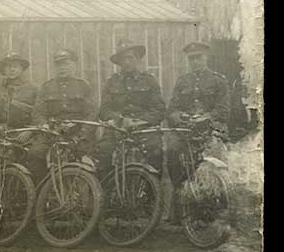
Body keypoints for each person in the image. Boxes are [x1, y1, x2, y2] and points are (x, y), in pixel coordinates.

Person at [165, 41, 231, 221]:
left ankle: (214, 208)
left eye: (198, 58)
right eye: (191, 59)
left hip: (211, 130)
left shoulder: (219, 81)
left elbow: (224, 110)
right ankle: (181, 200)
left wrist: (207, 116)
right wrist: (180, 117)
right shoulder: (182, 82)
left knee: (210, 162)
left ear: (206, 57)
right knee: (172, 151)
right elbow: (172, 109)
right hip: (186, 130)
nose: (195, 62)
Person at [95, 40, 166, 176]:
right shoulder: (112, 82)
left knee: (155, 151)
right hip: (117, 129)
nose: (126, 62)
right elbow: (103, 110)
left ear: (138, 59)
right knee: (103, 152)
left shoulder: (149, 80)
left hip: (144, 129)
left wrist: (140, 121)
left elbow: (159, 110)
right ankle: (107, 192)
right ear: (119, 62)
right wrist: (119, 119)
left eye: (130, 58)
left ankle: (153, 193)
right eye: (123, 59)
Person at [27, 49, 98, 183]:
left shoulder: (83, 86)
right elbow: (38, 113)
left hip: (78, 133)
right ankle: (43, 190)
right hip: (52, 133)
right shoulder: (47, 87)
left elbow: (92, 114)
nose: (62, 68)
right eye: (59, 65)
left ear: (74, 65)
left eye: (66, 64)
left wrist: (82, 135)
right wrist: (45, 126)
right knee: (35, 153)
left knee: (86, 157)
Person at [0, 51, 38, 128]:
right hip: (0, 133)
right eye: (8, 66)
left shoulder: (34, 89)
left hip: (26, 132)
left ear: (22, 68)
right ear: (3, 70)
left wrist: (31, 131)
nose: (11, 69)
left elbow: (39, 116)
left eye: (15, 66)